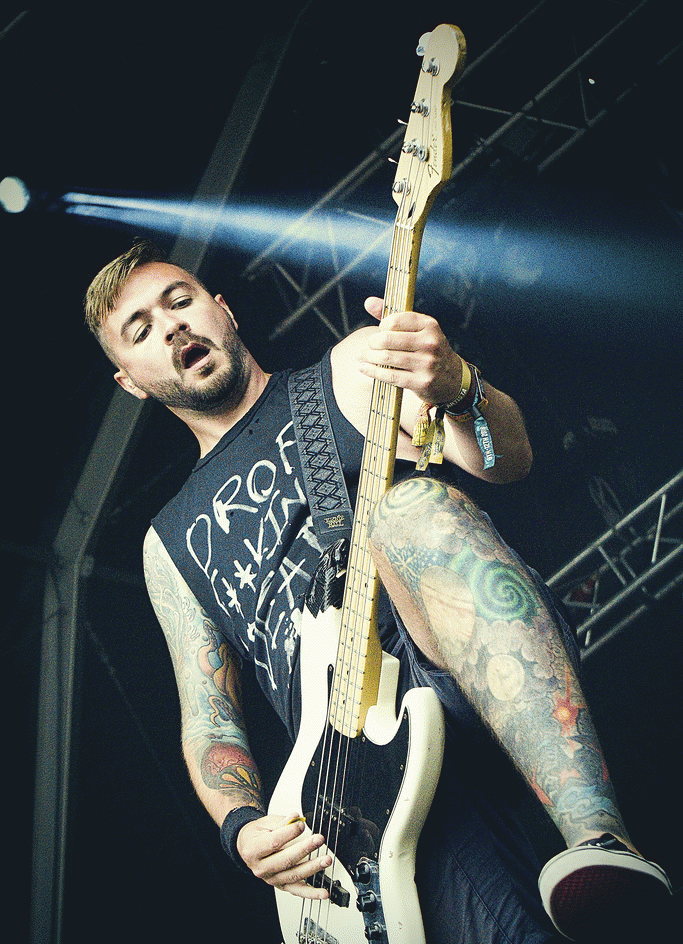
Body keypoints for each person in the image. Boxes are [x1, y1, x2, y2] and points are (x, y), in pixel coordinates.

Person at [85, 239, 672, 942]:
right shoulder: (168, 542)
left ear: (224, 310)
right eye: (141, 330)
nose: (171, 326)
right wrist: (241, 829)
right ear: (130, 381)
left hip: (445, 648)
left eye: (180, 301)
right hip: (352, 777)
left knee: (409, 509)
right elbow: (208, 718)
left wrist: (459, 388)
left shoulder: (348, 370)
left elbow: (505, 460)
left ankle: (598, 838)